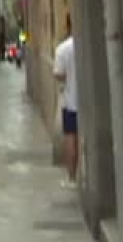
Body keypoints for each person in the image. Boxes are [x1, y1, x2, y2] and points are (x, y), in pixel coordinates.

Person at [53, 15, 78, 188]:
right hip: (89, 103)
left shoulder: (63, 49)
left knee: (71, 139)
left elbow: (58, 74)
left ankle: (72, 178)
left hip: (71, 102)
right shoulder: (91, 44)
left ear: (68, 26)